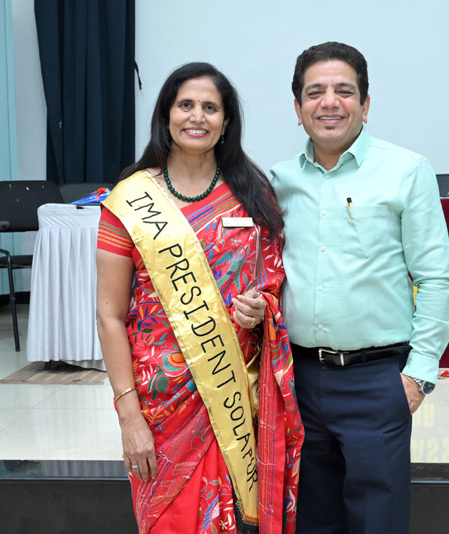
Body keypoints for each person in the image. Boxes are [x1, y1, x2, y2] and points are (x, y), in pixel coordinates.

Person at [96, 62, 302, 534]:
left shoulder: (253, 195)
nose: (197, 116)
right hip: (161, 402)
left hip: (238, 397)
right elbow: (109, 316)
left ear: (226, 123)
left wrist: (262, 309)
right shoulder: (129, 199)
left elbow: (272, 284)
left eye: (211, 107)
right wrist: (129, 417)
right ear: (166, 115)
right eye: (185, 104)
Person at [270, 42, 449, 534]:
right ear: (298, 108)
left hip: (377, 381)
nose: (329, 102)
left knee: (378, 521)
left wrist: (418, 375)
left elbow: (436, 279)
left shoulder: (407, 171)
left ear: (365, 104)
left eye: (344, 91)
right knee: (311, 519)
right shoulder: (278, 182)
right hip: (299, 380)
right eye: (315, 92)